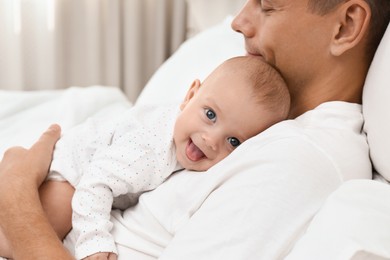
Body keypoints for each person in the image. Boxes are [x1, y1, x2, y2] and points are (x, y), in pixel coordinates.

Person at [0, 0, 389, 259]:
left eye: (267, 5)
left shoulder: (303, 159)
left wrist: (16, 197)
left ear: (346, 26)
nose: (239, 22)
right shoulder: (265, 119)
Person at [0, 56, 290, 260]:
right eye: (210, 115)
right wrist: (94, 240)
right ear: (190, 96)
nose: (210, 140)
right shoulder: (150, 151)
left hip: (92, 168)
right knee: (50, 219)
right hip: (72, 170)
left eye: (233, 141)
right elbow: (96, 183)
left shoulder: (191, 143)